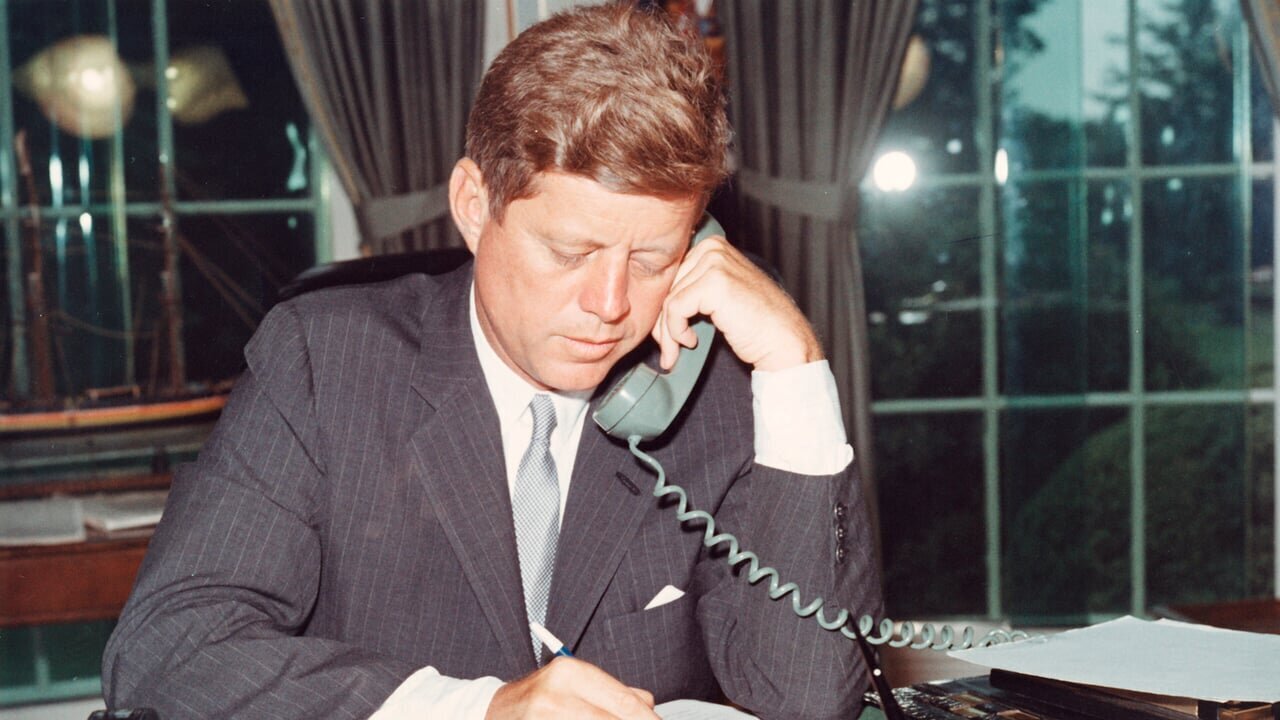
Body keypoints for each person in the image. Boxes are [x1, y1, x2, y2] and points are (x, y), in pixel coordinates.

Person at [102, 4, 881, 719]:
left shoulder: (716, 389)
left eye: (653, 259)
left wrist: (796, 370)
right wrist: (478, 710)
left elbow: (812, 698)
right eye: (569, 252)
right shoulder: (323, 360)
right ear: (474, 206)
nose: (610, 305)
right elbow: (168, 650)